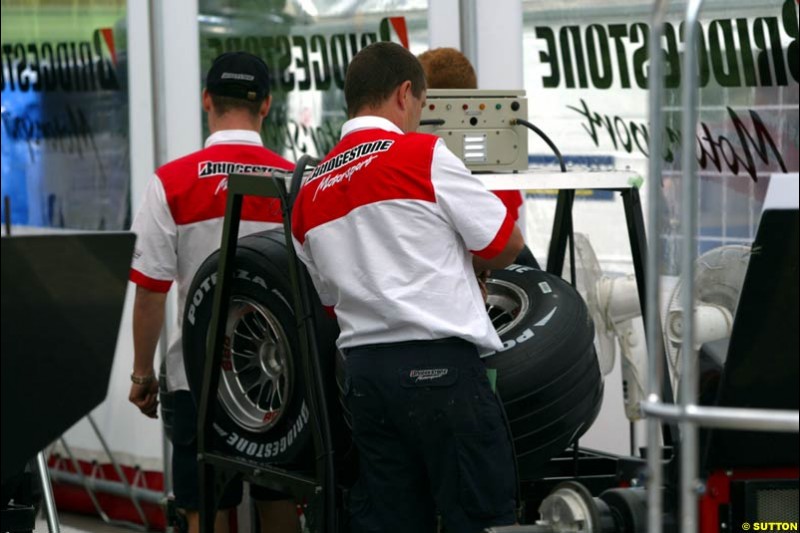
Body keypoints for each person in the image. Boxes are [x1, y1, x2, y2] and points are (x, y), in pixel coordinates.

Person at [291, 42, 524, 533]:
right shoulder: (422, 154)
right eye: (421, 105)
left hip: (366, 378)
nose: (419, 117)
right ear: (404, 94)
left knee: (390, 522)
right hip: (441, 370)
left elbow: (329, 297)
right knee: (482, 518)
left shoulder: (309, 190)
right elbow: (506, 243)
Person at [128, 52, 299, 533]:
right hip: (279, 380)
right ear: (266, 106)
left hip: (198, 380)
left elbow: (150, 292)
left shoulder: (171, 183)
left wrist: (143, 374)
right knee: (280, 496)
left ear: (207, 100)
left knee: (204, 506)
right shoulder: (294, 181)